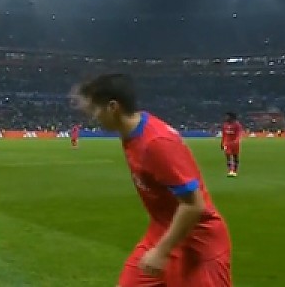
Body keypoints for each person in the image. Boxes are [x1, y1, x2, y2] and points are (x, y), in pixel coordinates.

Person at [73, 73, 232, 287]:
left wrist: (161, 251)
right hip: (163, 230)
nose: (93, 117)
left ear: (113, 107)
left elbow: (194, 205)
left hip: (198, 241)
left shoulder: (156, 143)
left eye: (94, 109)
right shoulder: (133, 132)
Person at [221, 113, 243, 177]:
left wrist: (237, 140)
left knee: (235, 156)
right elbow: (224, 135)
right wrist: (222, 143)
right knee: (228, 156)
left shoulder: (237, 125)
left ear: (231, 117)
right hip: (227, 143)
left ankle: (235, 171)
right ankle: (230, 171)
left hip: (235, 144)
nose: (226, 118)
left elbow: (239, 133)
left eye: (227, 116)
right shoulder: (225, 125)